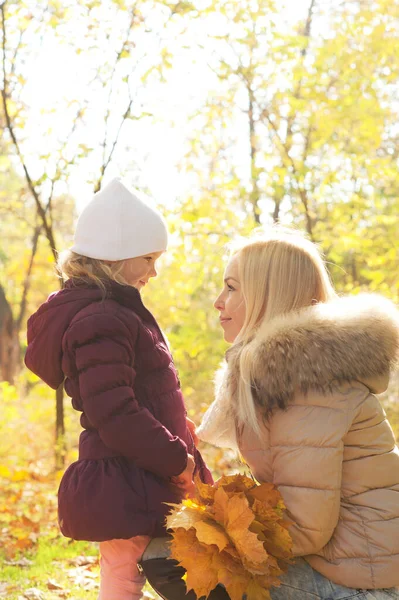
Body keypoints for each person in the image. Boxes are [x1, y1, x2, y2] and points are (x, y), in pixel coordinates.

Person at [25, 178, 212, 600]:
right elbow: (114, 411)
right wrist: (174, 456)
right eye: (147, 258)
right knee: (126, 574)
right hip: (127, 475)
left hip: (142, 469)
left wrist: (178, 424)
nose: (154, 270)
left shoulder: (117, 313)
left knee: (152, 567)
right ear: (115, 256)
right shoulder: (101, 319)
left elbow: (137, 392)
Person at [196, 228, 399, 599]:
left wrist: (226, 526)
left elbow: (304, 526)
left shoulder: (307, 384)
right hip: (346, 566)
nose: (218, 301)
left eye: (231, 287)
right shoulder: (295, 374)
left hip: (359, 585)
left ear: (267, 295)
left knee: (180, 560)